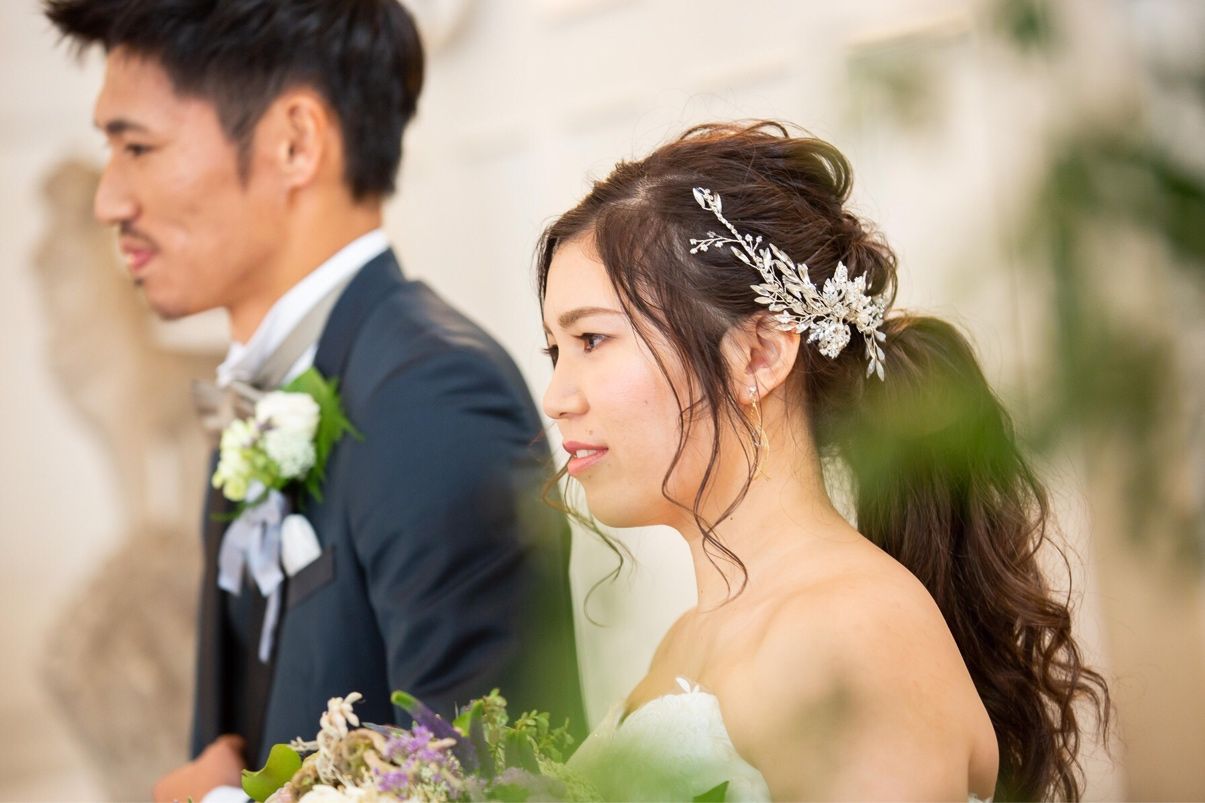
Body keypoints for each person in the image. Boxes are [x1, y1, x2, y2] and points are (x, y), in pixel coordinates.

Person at [44, 2, 584, 801]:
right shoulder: (261, 395)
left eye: (137, 147)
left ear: (295, 143)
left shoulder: (432, 400)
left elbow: (500, 784)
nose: (109, 201)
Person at [538, 122, 1110, 801]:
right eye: (555, 351)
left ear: (758, 355)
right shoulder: (688, 638)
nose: (556, 398)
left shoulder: (858, 634)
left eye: (591, 339)